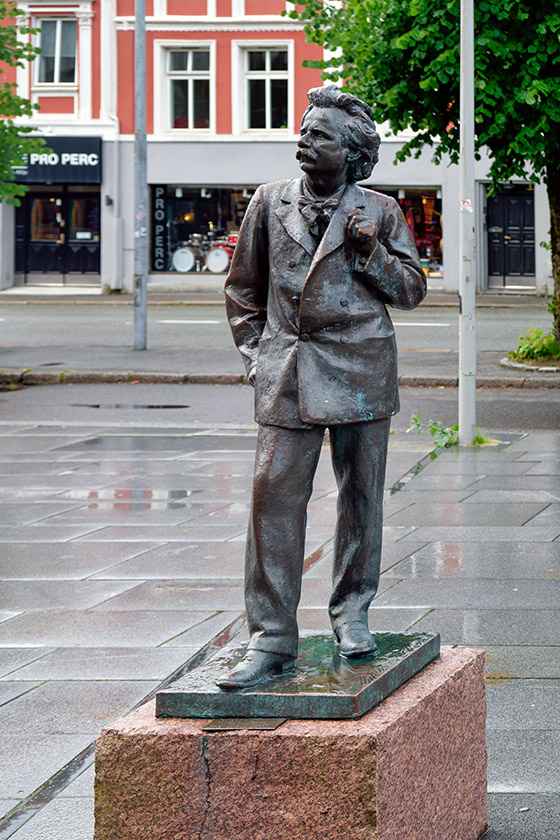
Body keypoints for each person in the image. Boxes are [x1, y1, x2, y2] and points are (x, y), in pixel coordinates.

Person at [219, 85, 426, 690]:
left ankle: (352, 611)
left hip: (362, 369)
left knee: (361, 498)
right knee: (272, 498)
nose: (303, 140)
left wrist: (371, 253)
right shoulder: (268, 201)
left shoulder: (381, 211)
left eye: (319, 134)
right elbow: (242, 291)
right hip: (286, 372)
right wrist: (259, 358)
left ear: (352, 153)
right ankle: (270, 637)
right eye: (304, 130)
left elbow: (412, 290)